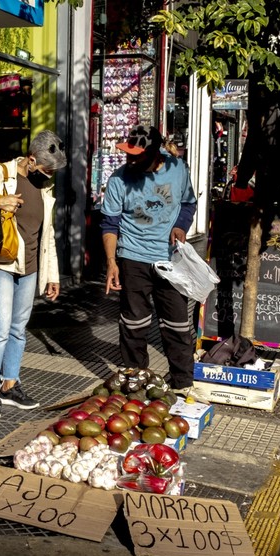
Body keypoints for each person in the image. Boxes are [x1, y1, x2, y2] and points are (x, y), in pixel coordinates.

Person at [0, 130, 67, 418]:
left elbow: (48, 235)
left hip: (29, 267)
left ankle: (10, 385)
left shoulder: (44, 188)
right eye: (46, 170)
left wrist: (52, 274)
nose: (49, 176)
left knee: (18, 328)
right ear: (31, 160)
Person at [100, 124, 198, 394]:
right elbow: (110, 224)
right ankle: (136, 377)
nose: (129, 160)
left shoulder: (177, 169)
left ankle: (181, 383)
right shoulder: (119, 180)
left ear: (154, 154)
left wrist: (181, 225)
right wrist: (112, 262)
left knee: (177, 323)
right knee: (133, 323)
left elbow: (189, 203)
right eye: (127, 154)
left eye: (136, 155)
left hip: (170, 260)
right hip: (132, 258)